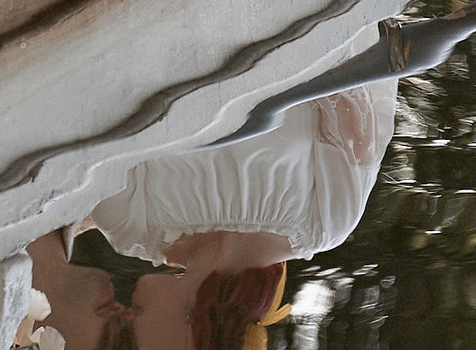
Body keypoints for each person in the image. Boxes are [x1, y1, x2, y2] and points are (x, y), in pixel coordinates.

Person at [25, 83, 397, 350]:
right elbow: (350, 64)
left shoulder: (129, 224)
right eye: (131, 347)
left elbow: (102, 89)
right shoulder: (326, 220)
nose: (123, 327)